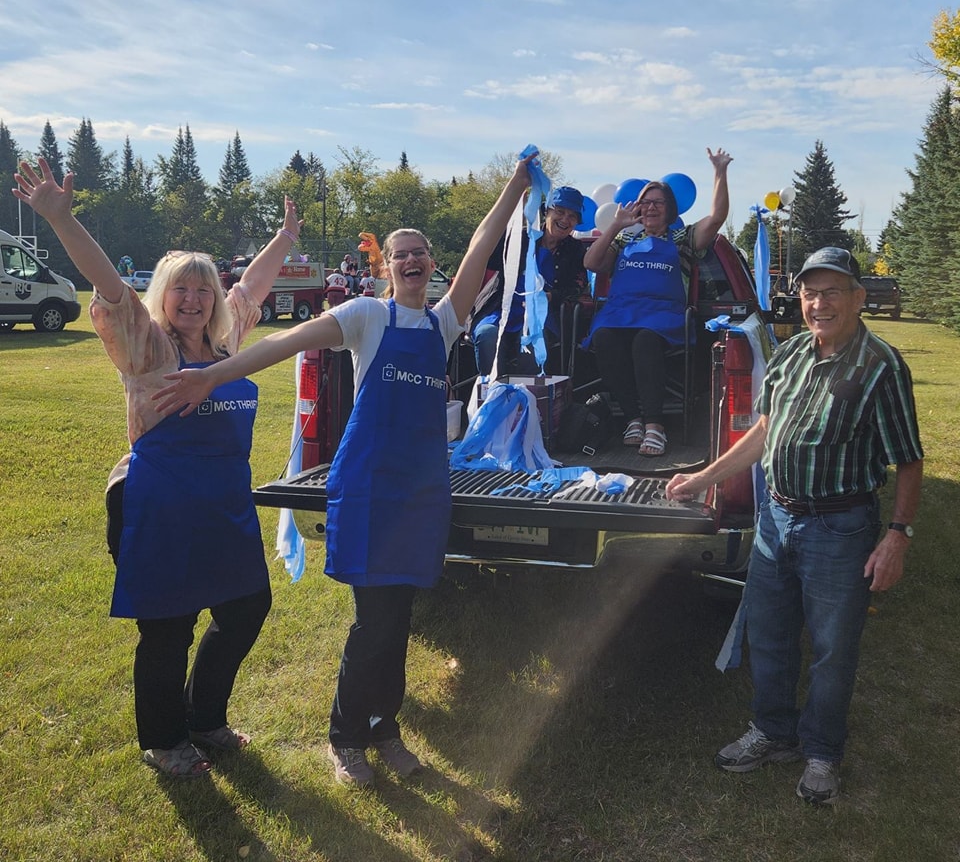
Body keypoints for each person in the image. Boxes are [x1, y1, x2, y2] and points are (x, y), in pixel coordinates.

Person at [152, 153, 539, 787]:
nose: (413, 260)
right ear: (387, 268)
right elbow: (284, 344)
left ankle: (385, 731)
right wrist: (212, 377)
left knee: (401, 618)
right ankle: (347, 739)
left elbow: (483, 243)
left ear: (432, 264)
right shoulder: (366, 317)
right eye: (401, 254)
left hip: (419, 491)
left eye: (422, 252)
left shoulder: (442, 322)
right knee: (375, 620)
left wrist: (515, 187)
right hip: (367, 489)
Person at [12, 158, 305, 779]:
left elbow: (249, 289)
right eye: (182, 289)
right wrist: (63, 220)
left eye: (204, 289)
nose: (195, 300)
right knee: (168, 628)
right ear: (163, 297)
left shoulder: (224, 349)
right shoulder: (147, 346)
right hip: (161, 506)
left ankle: (205, 719)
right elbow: (110, 289)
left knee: (246, 607)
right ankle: (166, 739)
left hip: (223, 505)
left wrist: (283, 241)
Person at [666, 247, 923, 806]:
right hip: (776, 520)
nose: (819, 302)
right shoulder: (787, 356)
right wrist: (702, 477)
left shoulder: (881, 366)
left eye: (832, 291)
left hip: (841, 528)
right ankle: (773, 732)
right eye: (810, 292)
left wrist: (897, 535)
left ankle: (823, 754)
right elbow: (762, 432)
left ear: (858, 299)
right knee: (771, 633)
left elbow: (908, 459)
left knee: (833, 648)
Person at [582, 149, 732, 456]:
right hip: (620, 314)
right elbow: (592, 262)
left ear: (670, 209)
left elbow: (717, 217)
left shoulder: (684, 240)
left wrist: (720, 172)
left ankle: (655, 425)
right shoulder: (625, 240)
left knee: (645, 341)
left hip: (662, 317)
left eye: (658, 202)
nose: (650, 207)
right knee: (604, 338)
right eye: (645, 202)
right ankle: (633, 419)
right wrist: (615, 226)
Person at [468, 185, 587, 377]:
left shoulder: (575, 250)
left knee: (533, 340)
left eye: (572, 216)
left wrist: (550, 296)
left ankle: (526, 398)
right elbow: (487, 255)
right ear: (546, 211)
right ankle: (493, 394)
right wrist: (512, 218)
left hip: (540, 317)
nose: (565, 219)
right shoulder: (520, 237)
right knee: (488, 335)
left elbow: (577, 288)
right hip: (501, 309)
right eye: (560, 211)